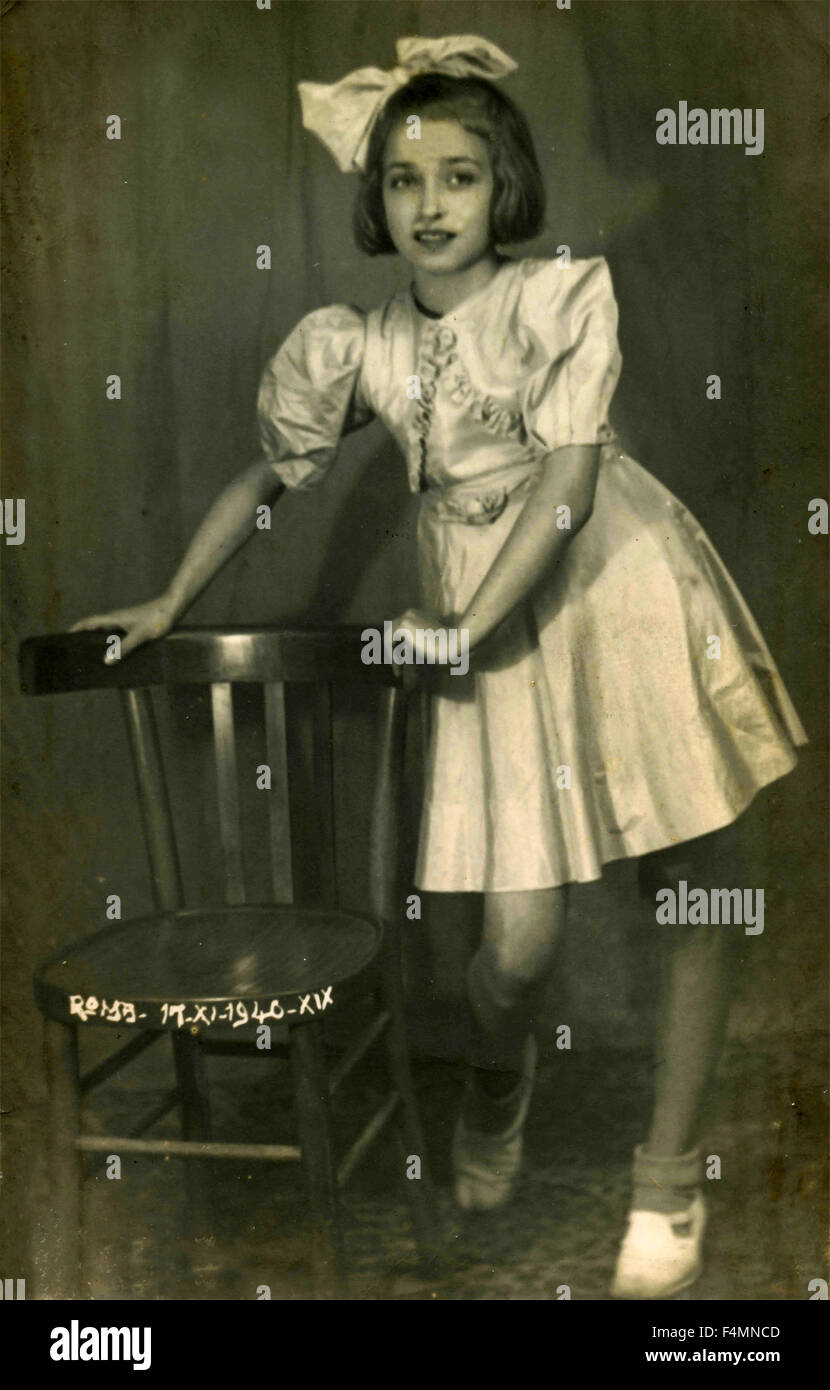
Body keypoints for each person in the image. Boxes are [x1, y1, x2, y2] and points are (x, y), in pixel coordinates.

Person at [72, 36, 807, 1299]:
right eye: (405, 182)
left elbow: (568, 488)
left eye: (458, 178)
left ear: (500, 186)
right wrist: (172, 594)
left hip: (608, 586)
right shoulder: (354, 347)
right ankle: (497, 1086)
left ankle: (665, 1178)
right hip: (474, 620)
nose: (430, 206)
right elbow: (271, 480)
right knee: (514, 951)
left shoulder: (561, 297)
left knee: (695, 877)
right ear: (376, 200)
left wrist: (464, 633)